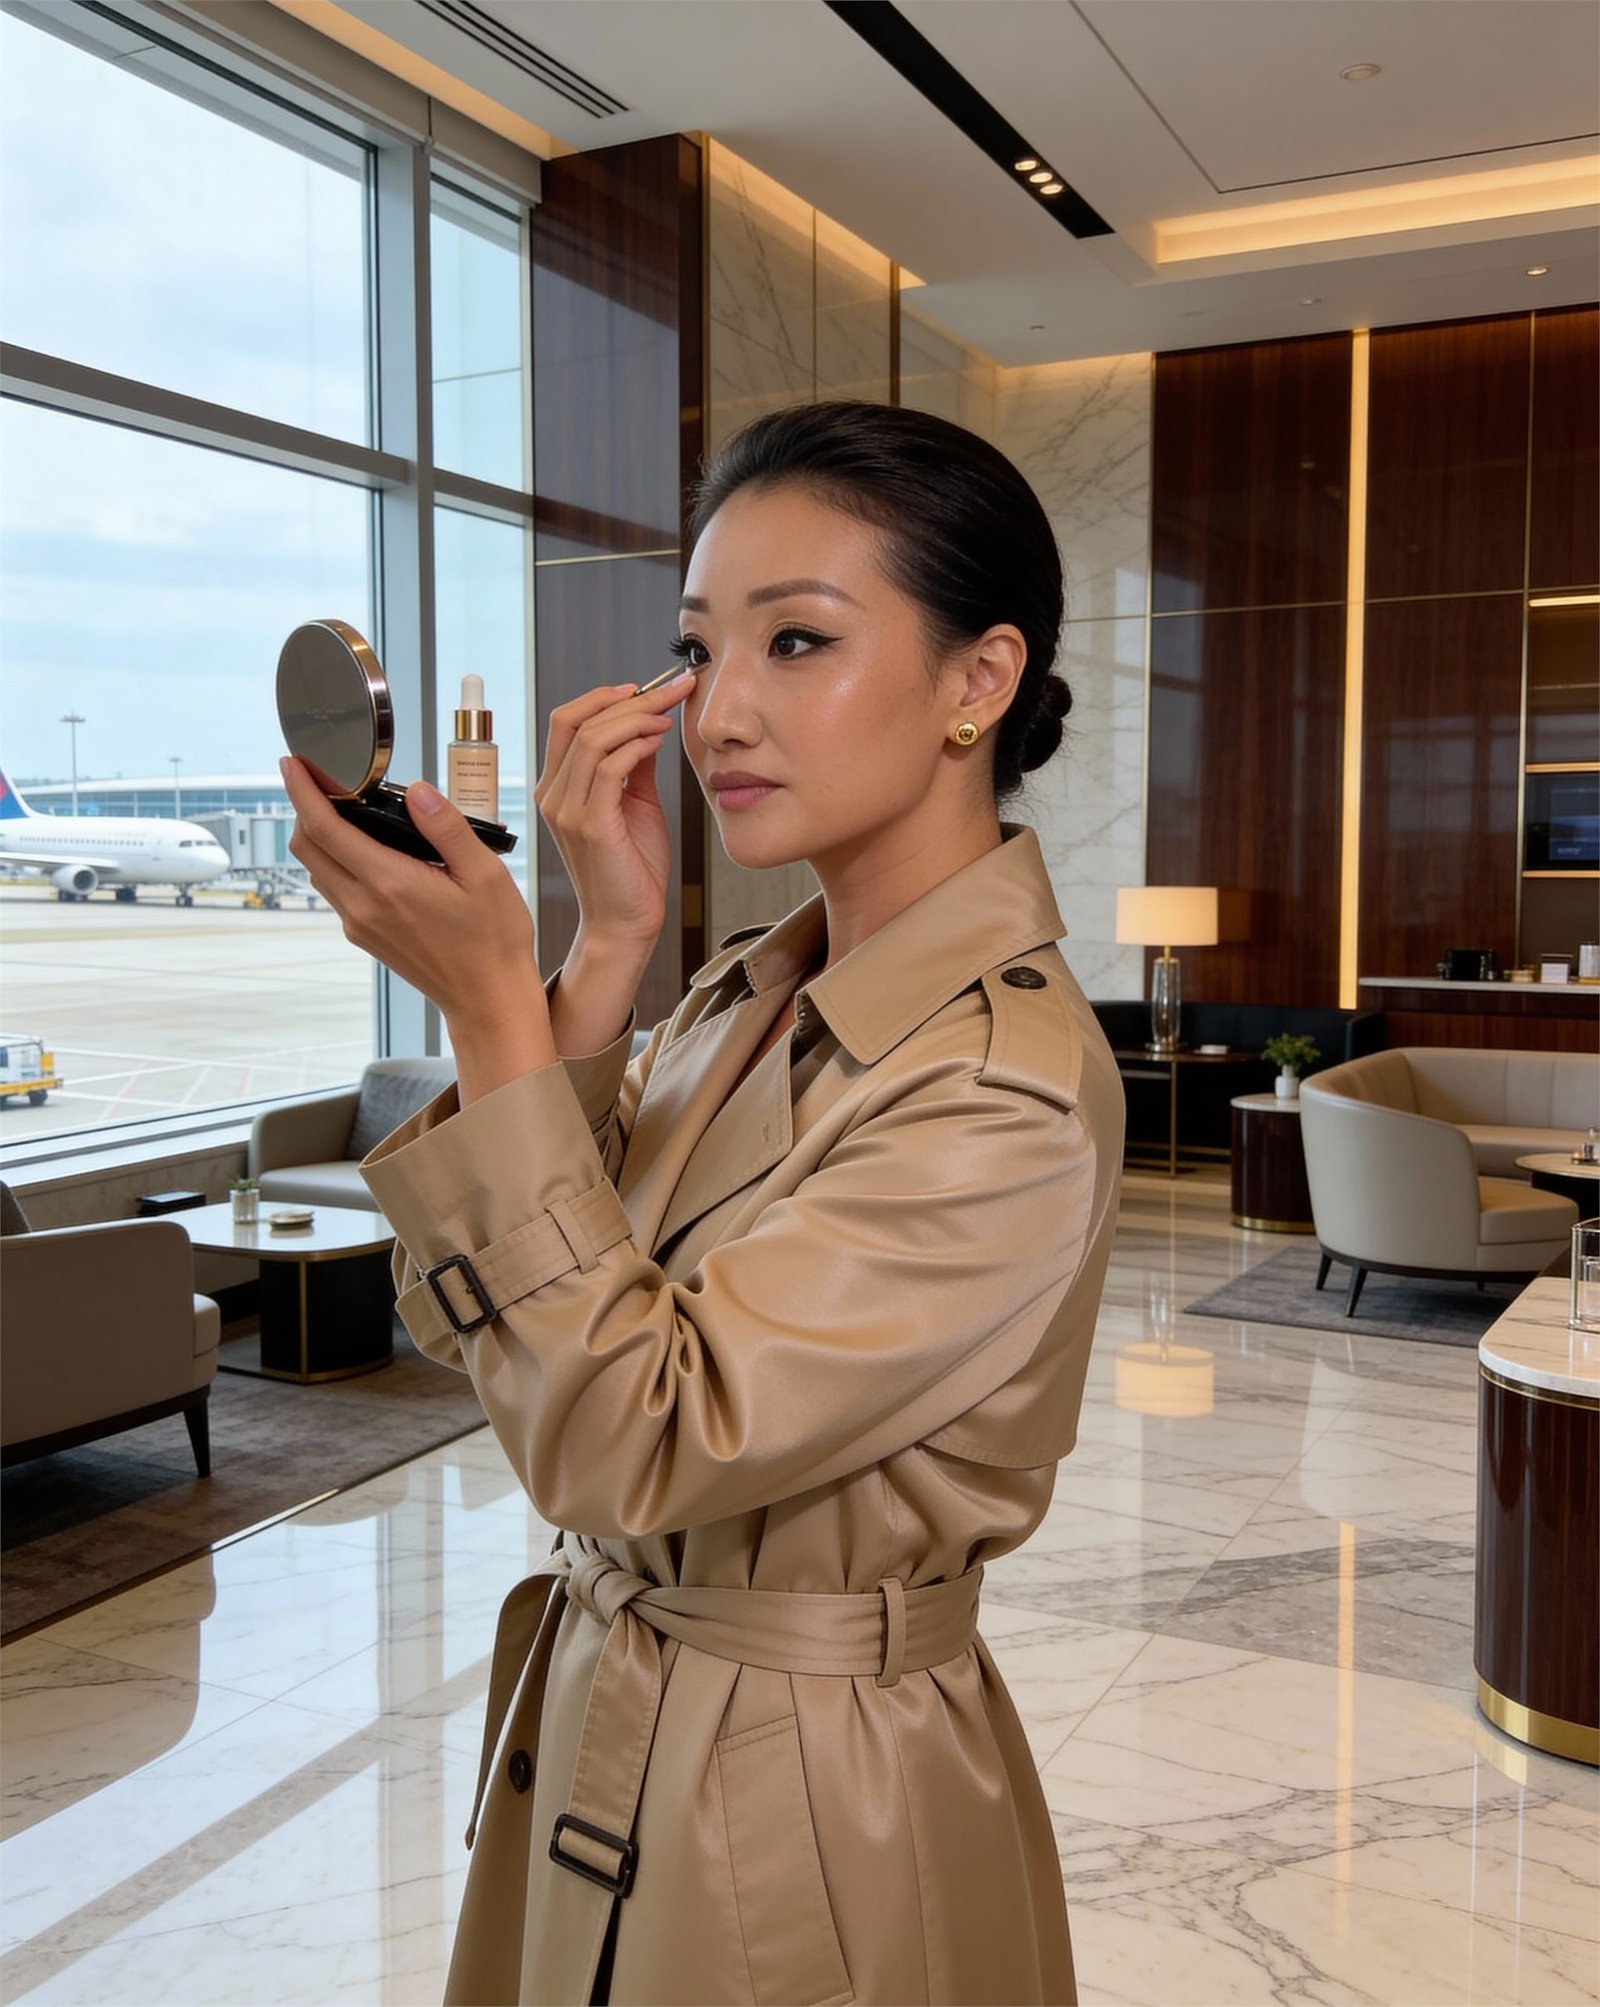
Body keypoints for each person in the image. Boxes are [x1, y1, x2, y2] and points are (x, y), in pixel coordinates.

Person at [282, 400, 1124, 2007]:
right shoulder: (749, 992)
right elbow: (474, 1327)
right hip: (618, 1715)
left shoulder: (999, 1084)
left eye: (797, 642)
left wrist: (486, 1011)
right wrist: (597, 955)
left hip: (807, 1795)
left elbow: (622, 1435)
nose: (717, 712)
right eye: (697, 649)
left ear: (979, 682)